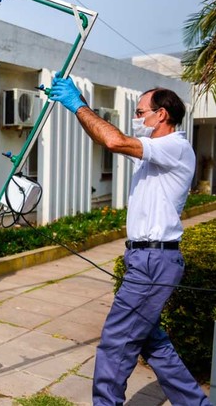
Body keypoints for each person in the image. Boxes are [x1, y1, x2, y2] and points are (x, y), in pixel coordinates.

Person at [49, 75, 210, 405]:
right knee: (154, 344)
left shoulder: (174, 146)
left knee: (117, 342)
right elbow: (105, 138)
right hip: (147, 258)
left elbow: (114, 141)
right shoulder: (157, 153)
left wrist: (77, 104)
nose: (136, 119)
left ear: (161, 114)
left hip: (153, 260)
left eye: (140, 113)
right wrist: (77, 109)